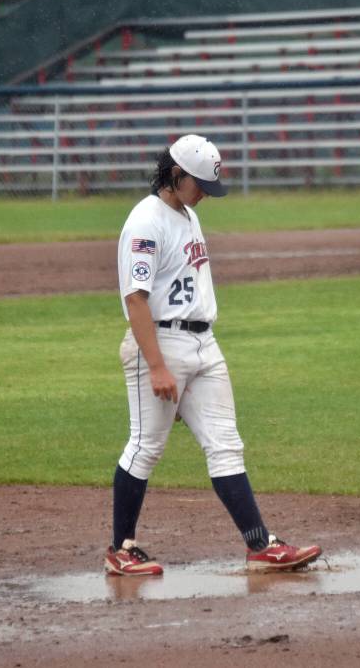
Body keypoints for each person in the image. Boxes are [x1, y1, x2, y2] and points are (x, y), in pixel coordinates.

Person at [105, 134, 322, 576]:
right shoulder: (146, 221)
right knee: (146, 446)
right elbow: (136, 300)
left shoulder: (186, 214)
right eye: (198, 184)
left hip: (205, 345)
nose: (204, 193)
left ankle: (260, 545)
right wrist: (160, 367)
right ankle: (120, 550)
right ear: (176, 174)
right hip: (161, 344)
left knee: (226, 445)